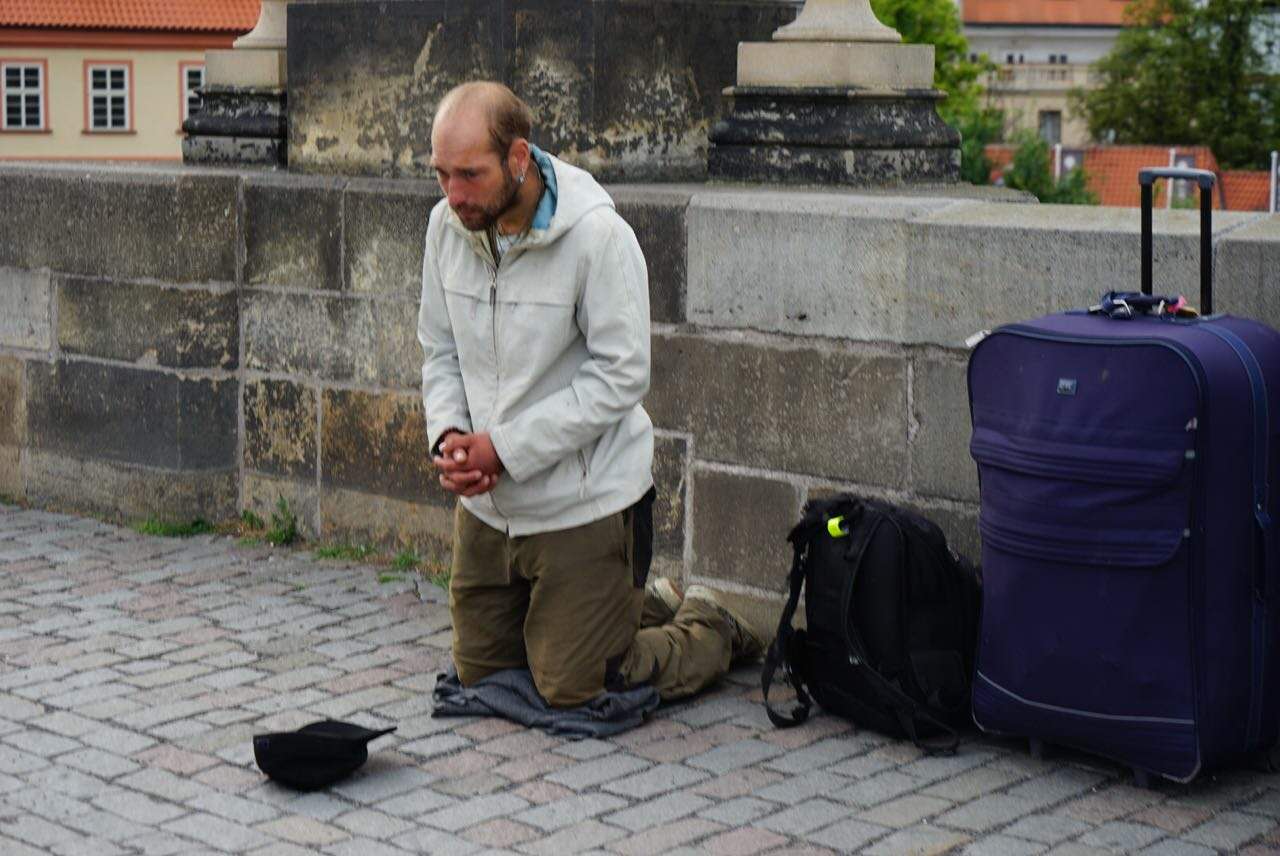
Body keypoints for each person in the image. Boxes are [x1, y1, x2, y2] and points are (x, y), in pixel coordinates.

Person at [417, 81, 763, 709]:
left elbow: (622, 376)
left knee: (576, 684)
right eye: (442, 174)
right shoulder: (446, 228)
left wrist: (505, 448)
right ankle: (637, 598)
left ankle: (708, 623)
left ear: (518, 158)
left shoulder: (599, 237)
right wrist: (448, 436)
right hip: (492, 510)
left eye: (469, 174)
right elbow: (438, 350)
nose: (453, 195)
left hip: (586, 502)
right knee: (482, 677)